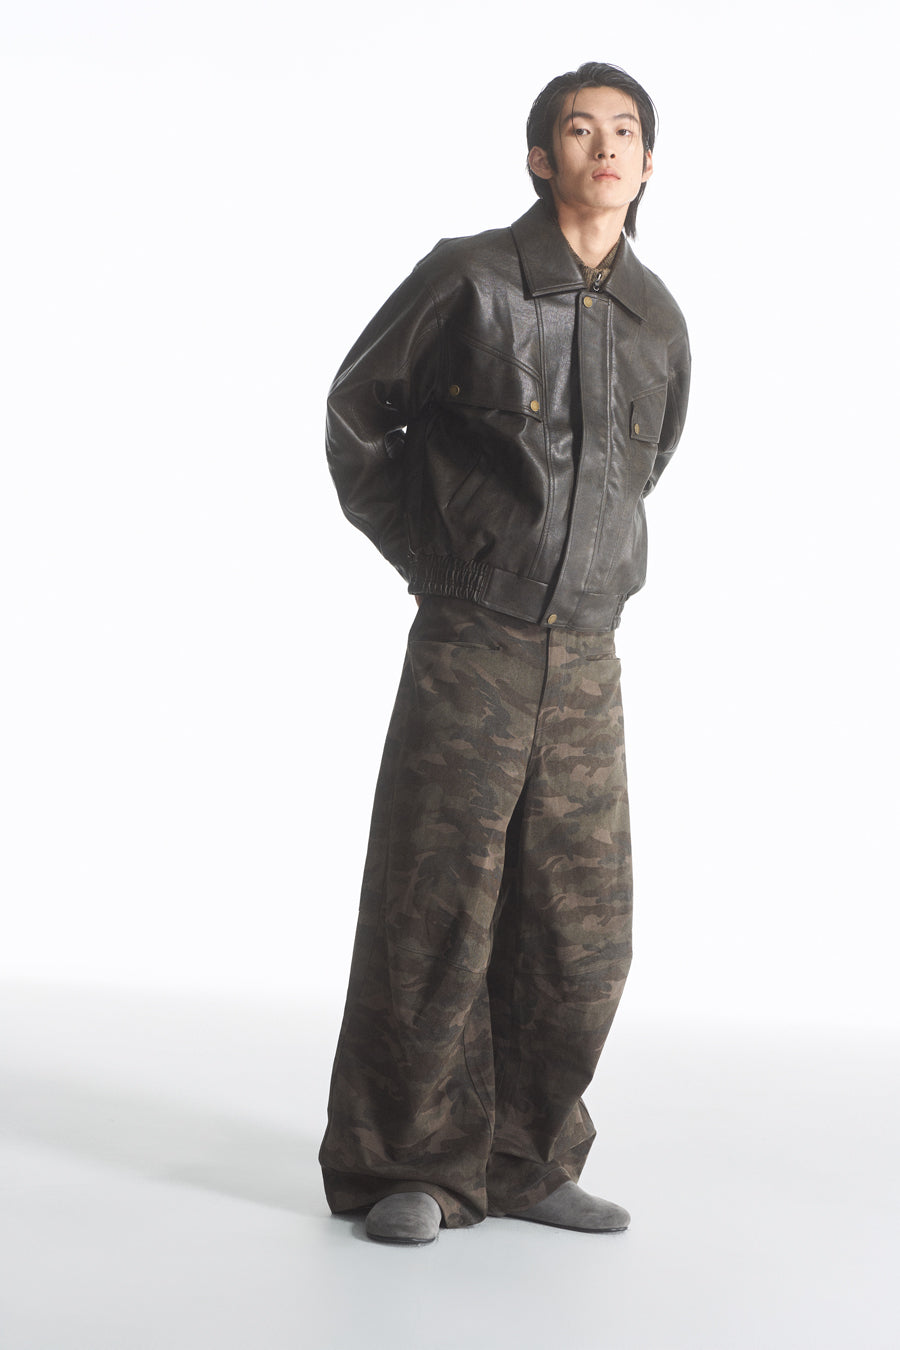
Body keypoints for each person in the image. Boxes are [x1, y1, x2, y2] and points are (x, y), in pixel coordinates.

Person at [319, 61, 691, 1245]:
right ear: (541, 157)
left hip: (587, 657)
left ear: (649, 162)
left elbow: (646, 467)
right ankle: (408, 1168)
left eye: (624, 130)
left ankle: (525, 1159)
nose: (604, 146)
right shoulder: (471, 278)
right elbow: (357, 416)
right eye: (579, 129)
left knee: (582, 928)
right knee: (435, 908)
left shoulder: (656, 319)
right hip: (470, 641)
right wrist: (444, 556)